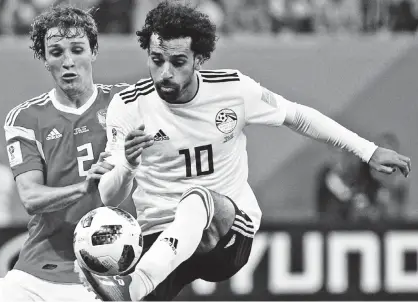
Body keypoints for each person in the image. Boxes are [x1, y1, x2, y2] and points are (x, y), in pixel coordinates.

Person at [76, 1, 412, 301]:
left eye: (178, 61)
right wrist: (129, 164)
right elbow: (109, 196)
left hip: (227, 235)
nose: (166, 72)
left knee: (198, 198)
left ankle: (135, 284)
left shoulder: (233, 90)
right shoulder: (129, 106)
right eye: (156, 59)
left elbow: (299, 117)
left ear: (199, 58)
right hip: (158, 240)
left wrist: (368, 151)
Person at [0, 6, 126, 301]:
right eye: (56, 53)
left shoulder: (125, 103)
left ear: (93, 51)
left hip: (107, 268)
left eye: (77, 49)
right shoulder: (25, 118)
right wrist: (85, 186)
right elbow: (30, 197)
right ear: (45, 60)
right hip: (39, 269)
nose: (68, 61)